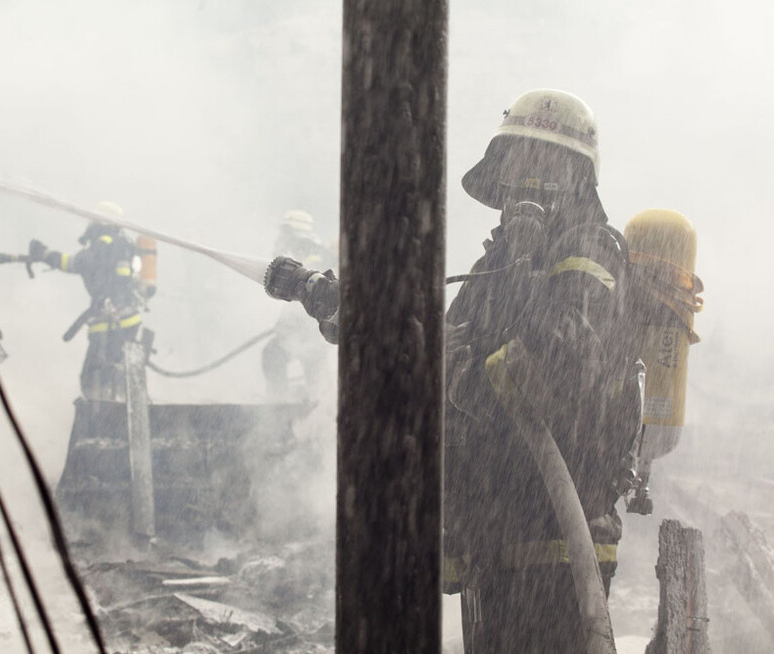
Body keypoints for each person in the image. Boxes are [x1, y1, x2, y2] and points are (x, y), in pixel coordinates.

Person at [265, 89, 644, 651]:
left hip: (558, 544)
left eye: (537, 168)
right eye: (514, 169)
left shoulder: (592, 253)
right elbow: (430, 354)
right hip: (492, 540)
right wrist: (367, 317)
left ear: (574, 176)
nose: (521, 186)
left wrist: (465, 370)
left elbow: (554, 371)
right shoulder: (495, 268)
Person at [28, 221, 154, 401]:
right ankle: (130, 405)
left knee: (93, 377)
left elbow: (73, 264)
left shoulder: (101, 245)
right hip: (130, 322)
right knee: (124, 371)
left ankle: (103, 414)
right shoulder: (127, 247)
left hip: (107, 326)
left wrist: (45, 254)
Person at [261, 210, 333, 400]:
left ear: (292, 232)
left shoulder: (307, 253)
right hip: (312, 328)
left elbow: (305, 292)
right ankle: (319, 406)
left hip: (309, 328)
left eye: (283, 232)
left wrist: (289, 326)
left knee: (273, 355)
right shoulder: (311, 251)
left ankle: (279, 403)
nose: (279, 238)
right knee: (313, 370)